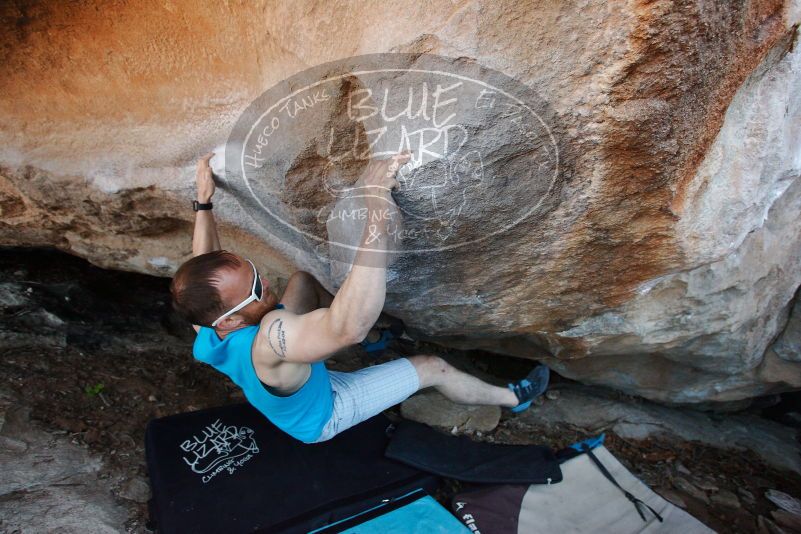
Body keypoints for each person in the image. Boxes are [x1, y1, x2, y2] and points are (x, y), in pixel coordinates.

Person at [169, 151, 550, 444]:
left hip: (293, 386)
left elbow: (202, 261)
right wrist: (375, 203)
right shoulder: (272, 338)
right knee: (431, 367)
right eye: (255, 290)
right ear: (231, 321)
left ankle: (375, 345)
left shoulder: (207, 324)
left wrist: (203, 201)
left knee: (301, 282)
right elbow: (348, 326)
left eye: (254, 270)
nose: (265, 282)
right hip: (324, 413)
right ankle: (514, 398)